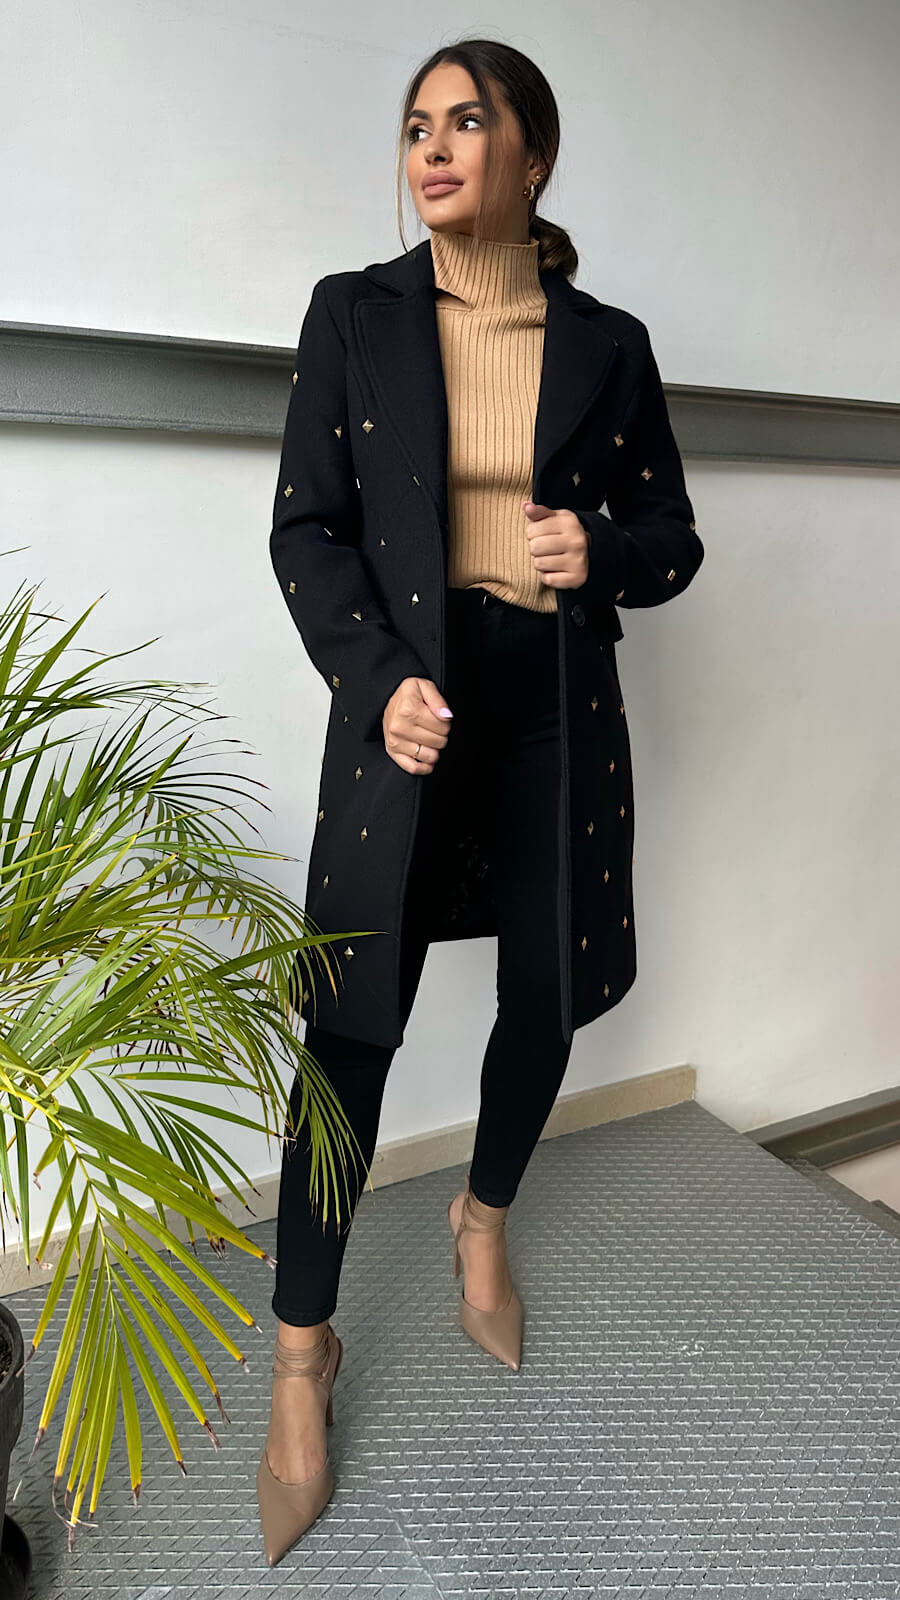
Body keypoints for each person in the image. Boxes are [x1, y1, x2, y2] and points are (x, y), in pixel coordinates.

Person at [258, 37, 703, 1567]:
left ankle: (482, 1218)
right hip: (407, 700)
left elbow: (669, 533)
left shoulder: (611, 344)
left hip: (553, 707)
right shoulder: (354, 314)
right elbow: (306, 529)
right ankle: (302, 1354)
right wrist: (375, 675)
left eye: (466, 121)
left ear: (534, 156)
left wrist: (604, 549)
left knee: (548, 992)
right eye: (415, 126)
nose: (433, 148)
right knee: (351, 1026)